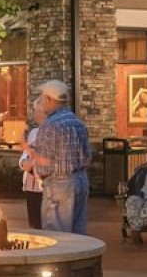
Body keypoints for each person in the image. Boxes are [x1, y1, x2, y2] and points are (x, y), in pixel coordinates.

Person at [25, 79, 91, 235]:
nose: (41, 102)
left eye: (42, 98)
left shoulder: (49, 125)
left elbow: (44, 167)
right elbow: (88, 155)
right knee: (78, 234)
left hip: (59, 185)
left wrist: (32, 165)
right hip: (81, 180)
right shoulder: (77, 122)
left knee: (57, 234)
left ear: (49, 99)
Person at [17, 118, 44, 229]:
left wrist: (32, 161)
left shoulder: (51, 135)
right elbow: (24, 158)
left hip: (43, 188)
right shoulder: (34, 133)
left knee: (44, 224)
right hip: (30, 188)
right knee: (33, 224)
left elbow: (39, 158)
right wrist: (24, 163)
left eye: (38, 112)